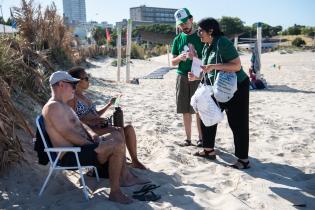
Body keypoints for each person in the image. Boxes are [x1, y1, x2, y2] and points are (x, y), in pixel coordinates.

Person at [42, 71, 146, 204]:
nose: (75, 87)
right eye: (72, 84)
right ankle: (116, 191)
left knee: (117, 137)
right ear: (61, 85)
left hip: (80, 148)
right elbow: (69, 134)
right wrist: (93, 144)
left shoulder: (63, 106)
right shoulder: (53, 107)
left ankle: (124, 177)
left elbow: (80, 125)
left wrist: (94, 135)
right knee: (117, 145)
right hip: (71, 155)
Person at [188, 17, 250, 169]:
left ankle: (243, 160)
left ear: (210, 31)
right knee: (207, 113)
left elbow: (236, 66)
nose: (198, 34)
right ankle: (208, 150)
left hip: (237, 87)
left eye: (201, 30)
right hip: (217, 87)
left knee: (237, 123)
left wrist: (213, 66)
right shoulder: (206, 46)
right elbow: (208, 70)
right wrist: (197, 76)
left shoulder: (222, 42)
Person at [67, 66, 146, 170]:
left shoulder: (85, 97)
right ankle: (121, 163)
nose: (88, 80)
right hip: (88, 131)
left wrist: (109, 104)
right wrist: (92, 121)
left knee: (129, 128)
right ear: (77, 81)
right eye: (86, 78)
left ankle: (135, 161)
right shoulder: (72, 98)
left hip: (98, 126)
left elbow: (96, 114)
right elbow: (73, 120)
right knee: (118, 130)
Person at [171, 8, 204, 147]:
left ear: (191, 19)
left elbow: (207, 60)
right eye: (180, 24)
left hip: (198, 76)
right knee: (185, 109)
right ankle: (188, 139)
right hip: (182, 76)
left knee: (198, 109)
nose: (183, 26)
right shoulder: (177, 39)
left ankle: (201, 139)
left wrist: (195, 56)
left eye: (185, 22)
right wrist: (180, 57)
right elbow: (173, 62)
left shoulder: (201, 36)